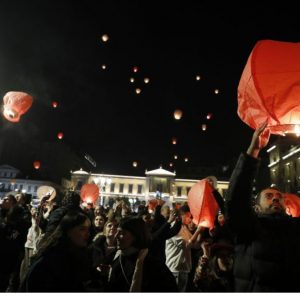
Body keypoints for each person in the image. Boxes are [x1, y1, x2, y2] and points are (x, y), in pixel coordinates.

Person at [225, 122, 300, 292]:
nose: (275, 198)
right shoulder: (250, 228)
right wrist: (253, 152)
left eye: (279, 197)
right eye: (269, 196)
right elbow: (236, 199)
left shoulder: (295, 228)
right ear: (256, 208)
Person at [19, 211, 92, 292]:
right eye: (82, 229)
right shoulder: (52, 259)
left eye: (88, 229)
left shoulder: (79, 254)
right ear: (68, 231)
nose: (87, 234)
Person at [106, 216, 177, 292]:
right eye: (117, 232)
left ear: (136, 236)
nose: (116, 236)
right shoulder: (117, 259)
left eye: (122, 233)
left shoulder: (152, 264)